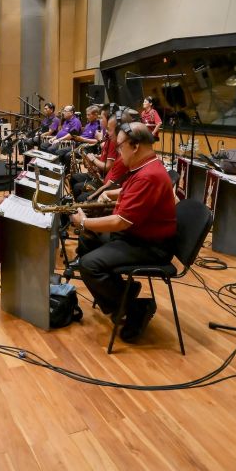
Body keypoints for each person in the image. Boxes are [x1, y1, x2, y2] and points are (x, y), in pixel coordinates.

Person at [71, 122, 177, 343]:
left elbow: (120, 222)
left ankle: (135, 307)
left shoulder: (149, 175)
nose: (118, 151)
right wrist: (112, 194)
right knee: (89, 240)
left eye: (120, 146)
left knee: (89, 264)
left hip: (150, 246)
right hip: (137, 236)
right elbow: (131, 190)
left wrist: (84, 222)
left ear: (135, 146)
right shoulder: (146, 166)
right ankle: (122, 292)